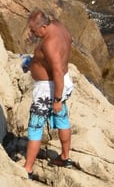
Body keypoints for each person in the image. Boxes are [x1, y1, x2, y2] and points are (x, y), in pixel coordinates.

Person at [22, 10, 76, 178]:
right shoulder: (57, 26)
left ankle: (27, 168)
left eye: (34, 30)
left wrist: (57, 99)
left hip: (49, 89)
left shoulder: (50, 44)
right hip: (62, 83)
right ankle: (65, 157)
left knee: (35, 128)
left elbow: (57, 72)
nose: (32, 33)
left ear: (44, 27)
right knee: (62, 120)